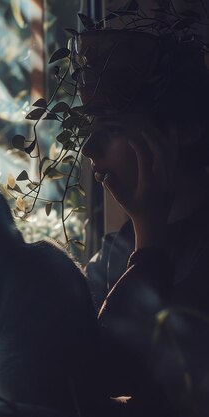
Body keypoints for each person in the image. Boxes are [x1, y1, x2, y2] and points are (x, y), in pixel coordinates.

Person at [79, 24, 209, 417]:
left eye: (113, 128)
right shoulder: (119, 246)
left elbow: (111, 372)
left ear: (184, 130)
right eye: (89, 129)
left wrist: (150, 240)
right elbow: (80, 367)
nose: (88, 148)